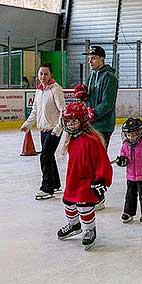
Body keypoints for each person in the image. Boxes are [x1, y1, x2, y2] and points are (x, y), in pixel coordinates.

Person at [56, 102, 112, 251]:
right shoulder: (72, 137)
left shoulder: (92, 140)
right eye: (68, 121)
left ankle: (89, 229)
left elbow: (103, 162)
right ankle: (75, 225)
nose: (70, 124)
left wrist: (101, 179)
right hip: (73, 178)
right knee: (68, 202)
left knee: (84, 205)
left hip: (87, 181)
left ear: (83, 121)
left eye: (74, 121)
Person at [76, 45, 119, 210]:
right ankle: (91, 192)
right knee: (88, 160)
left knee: (98, 162)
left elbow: (108, 103)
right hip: (90, 124)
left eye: (93, 58)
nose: (90, 61)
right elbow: (88, 99)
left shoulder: (109, 77)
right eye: (89, 59)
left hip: (103, 125)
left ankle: (99, 197)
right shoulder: (92, 75)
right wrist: (84, 97)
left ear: (102, 59)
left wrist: (94, 112)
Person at [20, 63, 65, 200]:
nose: (43, 77)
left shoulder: (56, 89)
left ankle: (47, 187)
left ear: (51, 75)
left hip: (54, 130)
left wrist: (57, 129)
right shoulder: (39, 90)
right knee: (49, 156)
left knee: (45, 156)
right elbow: (35, 111)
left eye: (46, 74)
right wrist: (27, 125)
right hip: (43, 129)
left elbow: (63, 111)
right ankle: (55, 183)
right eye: (41, 74)